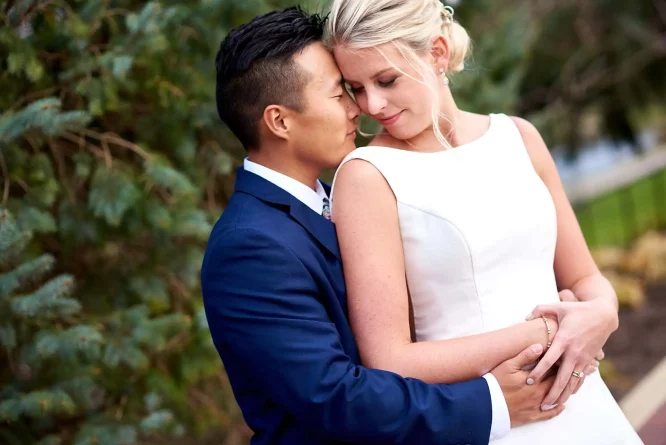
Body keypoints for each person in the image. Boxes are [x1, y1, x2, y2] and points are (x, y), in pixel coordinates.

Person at [201, 6, 570, 445]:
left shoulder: (324, 203)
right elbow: (335, 398)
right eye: (342, 92)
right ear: (280, 121)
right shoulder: (249, 246)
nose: (363, 109)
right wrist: (493, 402)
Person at [327, 0, 643, 443]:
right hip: (494, 419)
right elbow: (390, 360)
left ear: (437, 52)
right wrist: (549, 331)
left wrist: (602, 315)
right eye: (355, 88)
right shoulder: (368, 175)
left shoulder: (518, 136)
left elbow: (586, 277)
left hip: (584, 402)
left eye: (386, 80)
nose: (371, 104)